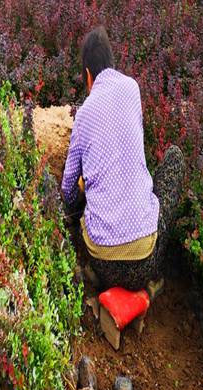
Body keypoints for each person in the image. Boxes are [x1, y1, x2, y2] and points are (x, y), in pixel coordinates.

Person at [61, 26, 184, 291]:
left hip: (101, 259)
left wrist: (80, 198)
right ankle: (151, 284)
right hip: (145, 260)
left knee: (78, 192)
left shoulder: (83, 115)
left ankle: (92, 276)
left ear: (88, 76)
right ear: (113, 65)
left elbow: (67, 190)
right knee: (174, 158)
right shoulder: (132, 88)